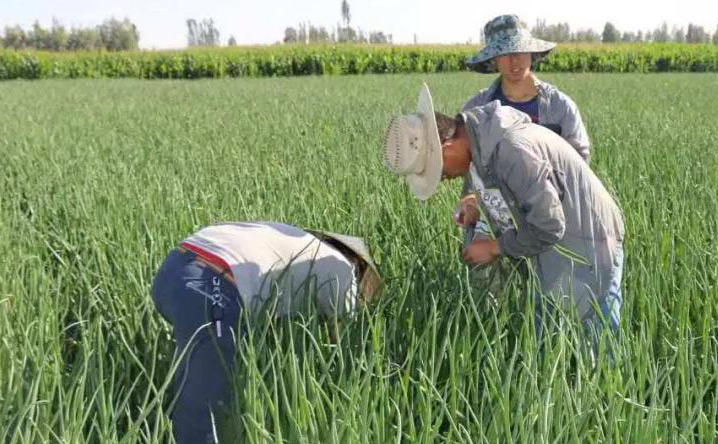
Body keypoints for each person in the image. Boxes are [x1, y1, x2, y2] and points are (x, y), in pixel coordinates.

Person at [384, 84, 624, 344]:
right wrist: (475, 205)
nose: (444, 178)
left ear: (448, 145)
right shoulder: (480, 147)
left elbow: (549, 226)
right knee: (547, 345)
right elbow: (514, 198)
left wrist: (495, 247)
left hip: (588, 248)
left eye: (440, 171)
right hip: (553, 252)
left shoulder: (512, 150)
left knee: (597, 346)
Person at [151, 221, 381, 444]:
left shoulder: (297, 248)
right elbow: (341, 348)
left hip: (173, 270)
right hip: (213, 284)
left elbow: (271, 327)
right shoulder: (341, 268)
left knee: (197, 373)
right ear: (359, 264)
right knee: (207, 407)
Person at [458, 14, 592, 284]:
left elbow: (579, 163)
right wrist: (469, 201)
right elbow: (468, 165)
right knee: (489, 289)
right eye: (505, 54)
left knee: (552, 293)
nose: (514, 61)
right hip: (494, 212)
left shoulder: (559, 107)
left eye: (520, 51)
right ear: (494, 60)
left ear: (531, 52)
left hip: (550, 211)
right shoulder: (477, 109)